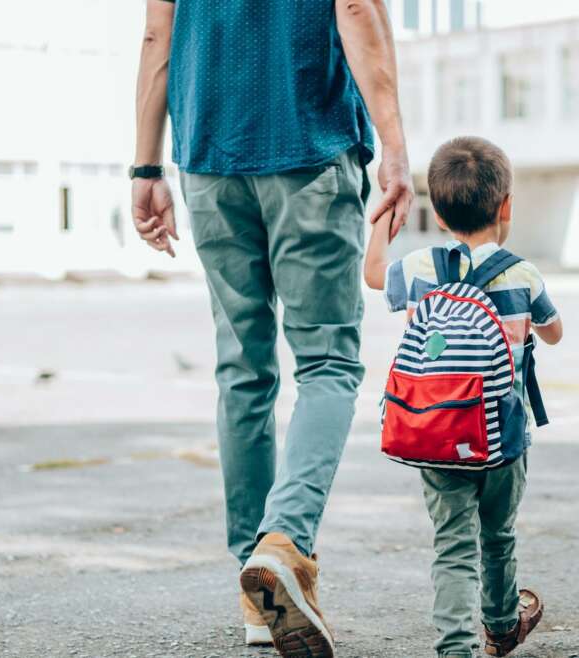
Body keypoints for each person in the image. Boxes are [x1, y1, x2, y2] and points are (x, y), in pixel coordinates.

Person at [130, 1, 412, 656]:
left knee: (242, 371)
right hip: (305, 145)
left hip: (207, 155)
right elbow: (355, 7)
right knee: (328, 365)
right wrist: (393, 144)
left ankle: (257, 594)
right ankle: (282, 544)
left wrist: (146, 168)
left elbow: (157, 33)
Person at [363, 136, 563, 658]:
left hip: (436, 430)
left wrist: (386, 216)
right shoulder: (522, 274)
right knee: (497, 536)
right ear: (506, 207)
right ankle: (501, 626)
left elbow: (372, 274)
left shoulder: (421, 268)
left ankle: (456, 648)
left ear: (441, 213)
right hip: (503, 438)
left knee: (453, 545)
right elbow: (554, 331)